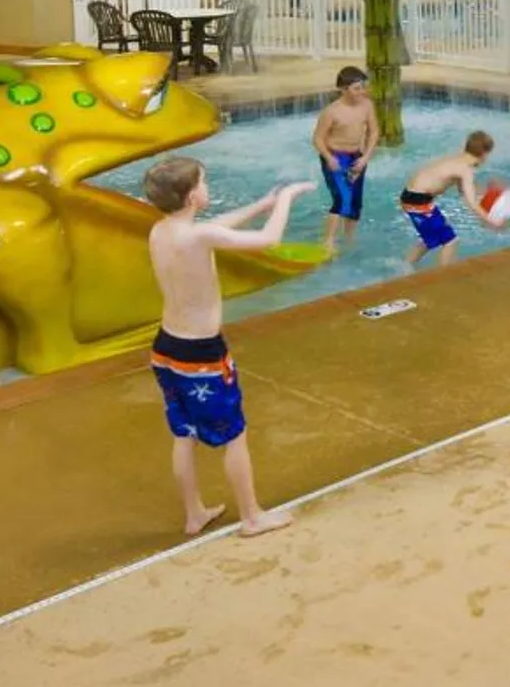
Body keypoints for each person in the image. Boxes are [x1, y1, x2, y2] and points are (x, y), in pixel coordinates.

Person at [142, 157, 314, 538]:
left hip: (166, 347)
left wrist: (260, 205)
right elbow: (269, 239)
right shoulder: (198, 237)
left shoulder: (162, 231)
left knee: (183, 433)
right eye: (203, 182)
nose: (207, 186)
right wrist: (287, 197)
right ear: (192, 197)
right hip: (201, 356)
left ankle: (194, 514)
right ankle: (251, 517)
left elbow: (213, 228)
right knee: (234, 436)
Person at [399, 130, 507, 268]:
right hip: (418, 201)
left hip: (411, 196)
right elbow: (471, 202)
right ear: (484, 154)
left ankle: (403, 267)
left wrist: (488, 191)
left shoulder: (457, 160)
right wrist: (492, 222)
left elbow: (465, 190)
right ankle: (443, 277)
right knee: (450, 240)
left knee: (430, 239)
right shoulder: (465, 170)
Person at [311, 66, 379, 252]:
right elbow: (317, 139)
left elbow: (374, 132)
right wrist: (329, 158)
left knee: (355, 202)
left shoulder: (367, 105)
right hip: (335, 157)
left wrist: (365, 158)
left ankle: (349, 240)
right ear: (343, 89)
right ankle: (328, 243)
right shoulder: (331, 112)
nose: (362, 92)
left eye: (363, 87)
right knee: (342, 199)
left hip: (357, 157)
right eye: (357, 88)